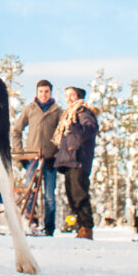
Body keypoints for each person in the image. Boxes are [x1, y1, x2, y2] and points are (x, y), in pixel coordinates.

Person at [11, 79, 63, 236]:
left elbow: (63, 134)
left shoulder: (57, 111)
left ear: (51, 93)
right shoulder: (30, 109)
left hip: (49, 159)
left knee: (49, 196)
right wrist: (20, 153)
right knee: (29, 192)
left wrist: (58, 154)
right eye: (41, 91)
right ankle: (30, 223)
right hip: (32, 158)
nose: (44, 95)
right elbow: (16, 130)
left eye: (46, 92)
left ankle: (48, 228)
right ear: (36, 92)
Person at [53, 86, 98, 240]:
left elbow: (90, 129)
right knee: (72, 195)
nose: (69, 98)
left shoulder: (83, 113)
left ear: (79, 97)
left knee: (79, 194)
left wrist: (74, 127)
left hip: (79, 159)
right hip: (69, 160)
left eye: (72, 95)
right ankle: (80, 226)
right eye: (67, 96)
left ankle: (86, 226)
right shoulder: (68, 115)